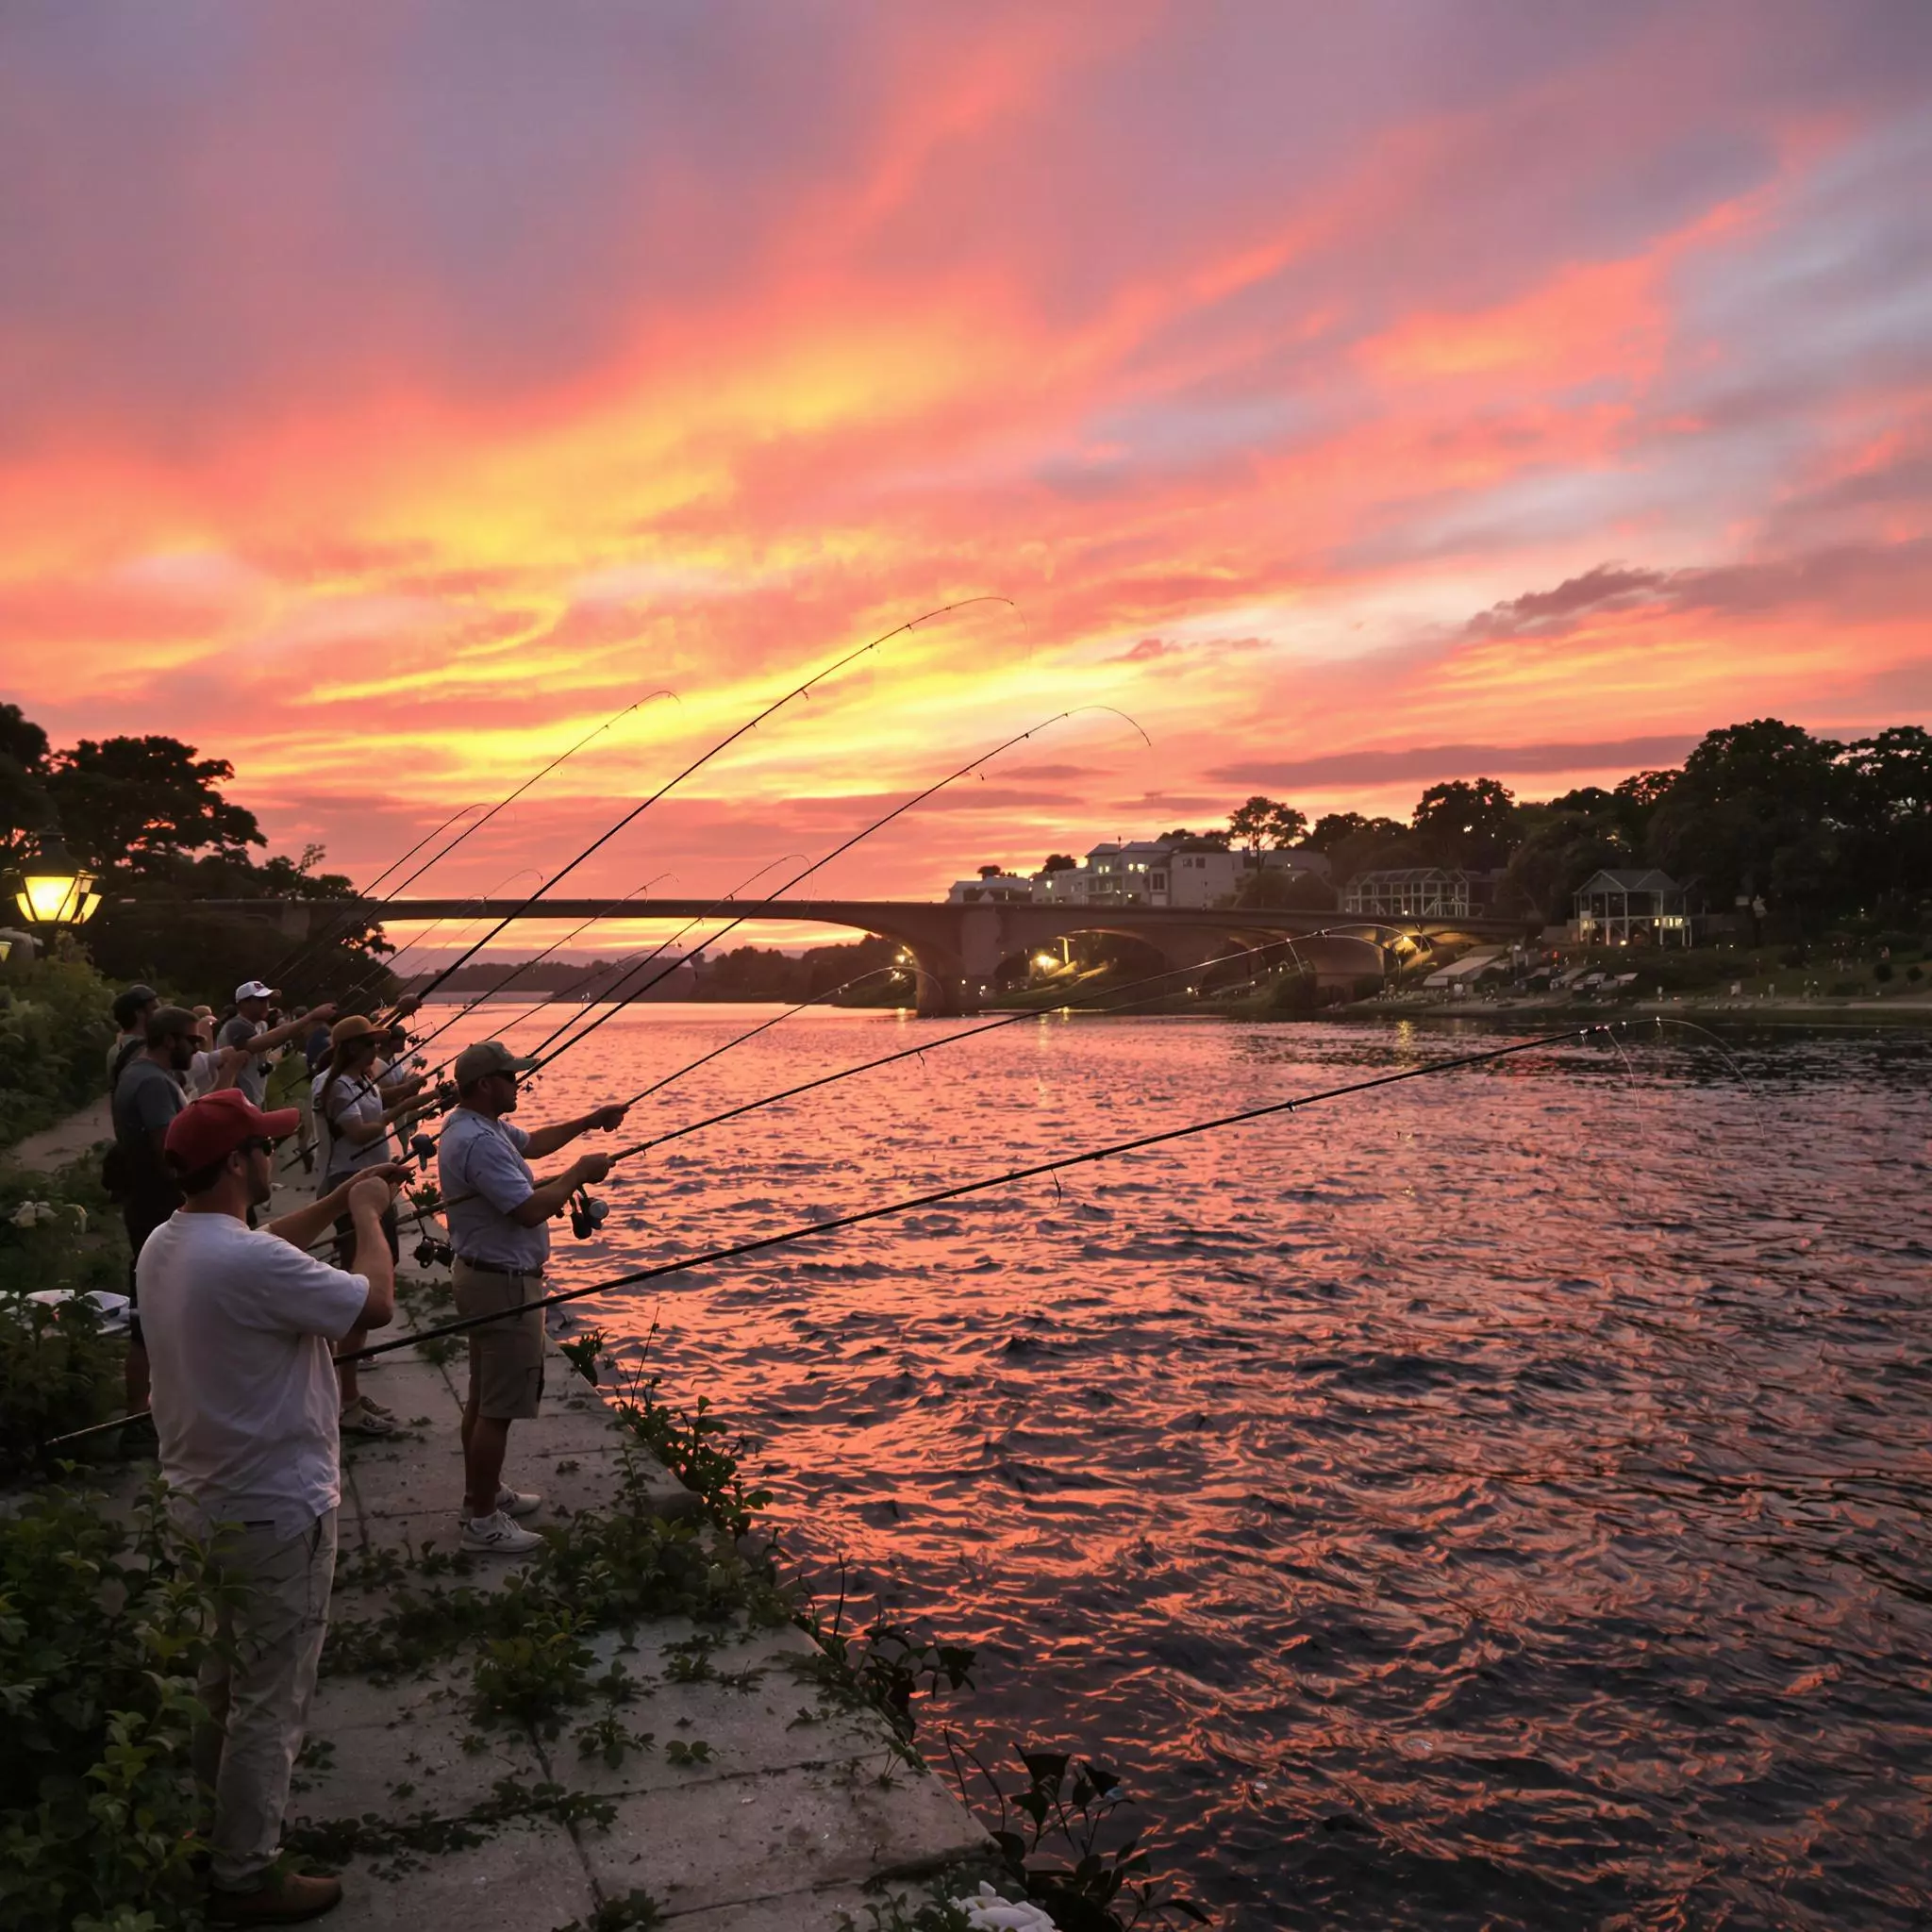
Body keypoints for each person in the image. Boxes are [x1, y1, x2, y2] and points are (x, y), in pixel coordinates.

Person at [139, 1087, 399, 1925]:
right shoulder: (245, 1261)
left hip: (200, 1503)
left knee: (220, 1685)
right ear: (239, 1165)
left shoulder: (166, 1245)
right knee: (269, 1701)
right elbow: (375, 1305)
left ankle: (210, 1837)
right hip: (274, 1512)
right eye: (264, 1148)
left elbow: (263, 1248)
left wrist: (338, 1195)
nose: (273, 1157)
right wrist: (366, 1218)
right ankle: (246, 1876)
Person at [437, 1041, 628, 1554]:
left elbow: (535, 1146)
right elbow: (528, 1211)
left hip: (487, 1278)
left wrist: (590, 1120)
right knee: (497, 1407)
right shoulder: (477, 1142)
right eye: (510, 1076)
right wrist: (578, 1175)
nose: (519, 1082)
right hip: (501, 1284)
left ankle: (484, 1491)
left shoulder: (479, 1127)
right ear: (485, 1085)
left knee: (482, 1396)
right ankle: (480, 1521)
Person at [312, 1015, 426, 1436]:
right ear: (353, 1048)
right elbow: (359, 1131)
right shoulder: (334, 1085)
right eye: (372, 1044)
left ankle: (347, 1386)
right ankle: (346, 1397)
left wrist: (416, 1092)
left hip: (374, 1180)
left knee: (383, 1263)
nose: (379, 1049)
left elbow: (378, 1098)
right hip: (350, 1185)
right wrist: (405, 1107)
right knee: (360, 1284)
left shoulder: (358, 1079)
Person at [108, 1003, 200, 1413]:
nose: (197, 1048)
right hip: (157, 1208)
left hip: (146, 1205)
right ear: (169, 1040)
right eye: (192, 1039)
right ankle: (138, 1414)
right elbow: (170, 1154)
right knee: (150, 1316)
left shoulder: (139, 1073)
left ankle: (151, 1407)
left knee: (157, 1309)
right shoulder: (152, 1084)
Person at [217, 983, 336, 1107]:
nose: (266, 1005)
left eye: (267, 1000)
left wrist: (316, 1021)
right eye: (261, 1000)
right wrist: (311, 1016)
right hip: (233, 1100)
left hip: (251, 1099)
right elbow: (259, 1044)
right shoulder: (236, 1025)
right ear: (243, 1004)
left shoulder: (260, 1025)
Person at [107, 983, 159, 1086]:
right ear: (139, 1013)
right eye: (154, 1009)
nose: (160, 1013)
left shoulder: (114, 1050)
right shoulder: (147, 1052)